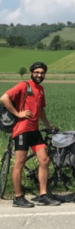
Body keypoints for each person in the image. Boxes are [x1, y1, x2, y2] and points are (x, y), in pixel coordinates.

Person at [0, 62, 60, 207]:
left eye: (42, 73)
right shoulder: (23, 85)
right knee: (20, 163)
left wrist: (47, 125)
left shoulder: (40, 89)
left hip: (34, 130)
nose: (39, 75)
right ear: (31, 72)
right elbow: (4, 98)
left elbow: (41, 110)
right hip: (21, 130)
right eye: (37, 72)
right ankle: (18, 197)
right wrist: (17, 113)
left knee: (44, 160)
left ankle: (43, 194)